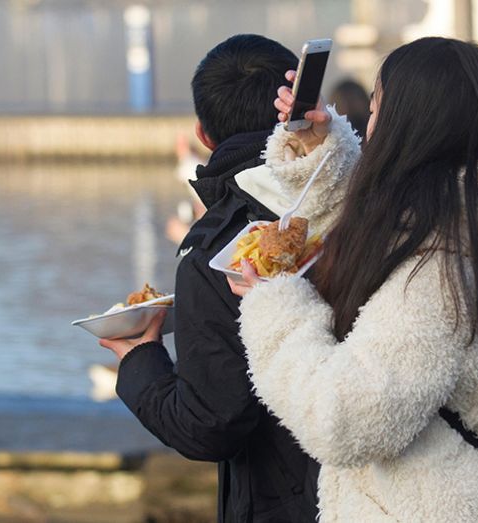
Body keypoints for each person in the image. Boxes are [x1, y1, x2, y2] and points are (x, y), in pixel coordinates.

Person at [228, 37, 478, 521]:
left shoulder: (438, 273)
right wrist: (320, 149)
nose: (370, 125)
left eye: (379, 109)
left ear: (413, 126)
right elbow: (386, 231)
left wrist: (272, 306)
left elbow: (342, 420)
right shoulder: (472, 221)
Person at [99, 34, 322, 522]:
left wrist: (139, 361)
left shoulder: (215, 253)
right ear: (300, 107)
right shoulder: (359, 209)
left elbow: (212, 423)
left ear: (203, 133)